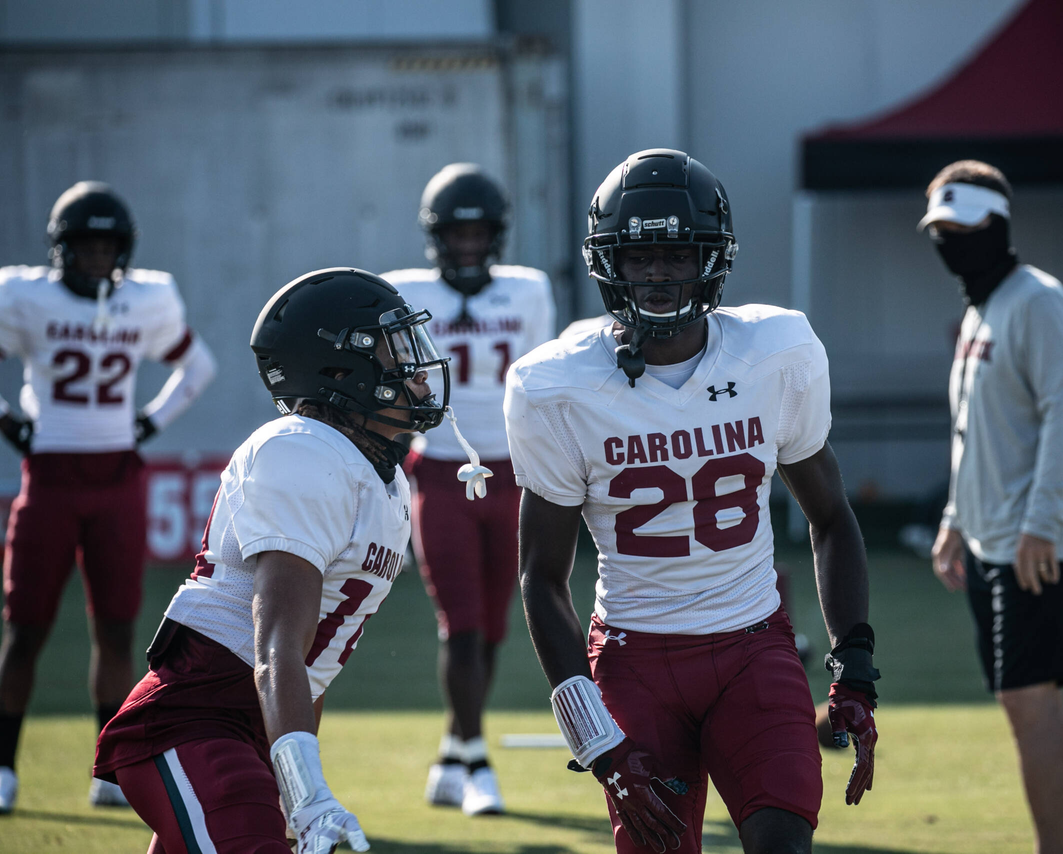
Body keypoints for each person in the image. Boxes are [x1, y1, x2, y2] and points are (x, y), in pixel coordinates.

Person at [506, 149, 880, 854]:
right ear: (606, 262)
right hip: (634, 661)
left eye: (676, 253)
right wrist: (595, 739)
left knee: (784, 843)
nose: (657, 274)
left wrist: (853, 664)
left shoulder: (776, 352)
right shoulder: (554, 385)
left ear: (713, 256)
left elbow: (830, 517)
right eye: (638, 255)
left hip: (752, 647)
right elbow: (542, 578)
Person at [92, 268, 464, 852]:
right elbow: (276, 649)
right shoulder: (302, 449)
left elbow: (313, 669)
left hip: (254, 729)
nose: (415, 370)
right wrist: (307, 791)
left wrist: (295, 783)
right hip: (192, 716)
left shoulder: (383, 479)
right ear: (340, 370)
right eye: (393, 351)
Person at [0, 181, 217, 812]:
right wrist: (9, 422)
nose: (98, 260)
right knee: (24, 629)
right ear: (63, 250)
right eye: (87, 248)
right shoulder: (24, 295)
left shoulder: (146, 297)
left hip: (119, 475)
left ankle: (107, 770)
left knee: (118, 629)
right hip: (50, 477)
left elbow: (197, 366)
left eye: (107, 248)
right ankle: (4, 766)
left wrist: (147, 423)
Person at [922, 161, 1063, 854]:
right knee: (1018, 702)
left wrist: (1040, 525)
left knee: (1032, 698)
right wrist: (954, 521)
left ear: (997, 224)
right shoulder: (979, 308)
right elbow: (974, 429)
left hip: (1035, 543)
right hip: (991, 539)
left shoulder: (1038, 299)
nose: (950, 242)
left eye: (962, 228)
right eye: (939, 231)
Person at [383, 163, 555, 815]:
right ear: (436, 238)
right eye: (457, 234)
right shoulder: (403, 290)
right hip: (441, 469)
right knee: (459, 624)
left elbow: (541, 378)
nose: (468, 245)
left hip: (515, 472)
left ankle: (453, 754)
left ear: (497, 236)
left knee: (493, 630)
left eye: (479, 233)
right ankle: (477, 759)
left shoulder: (527, 291)